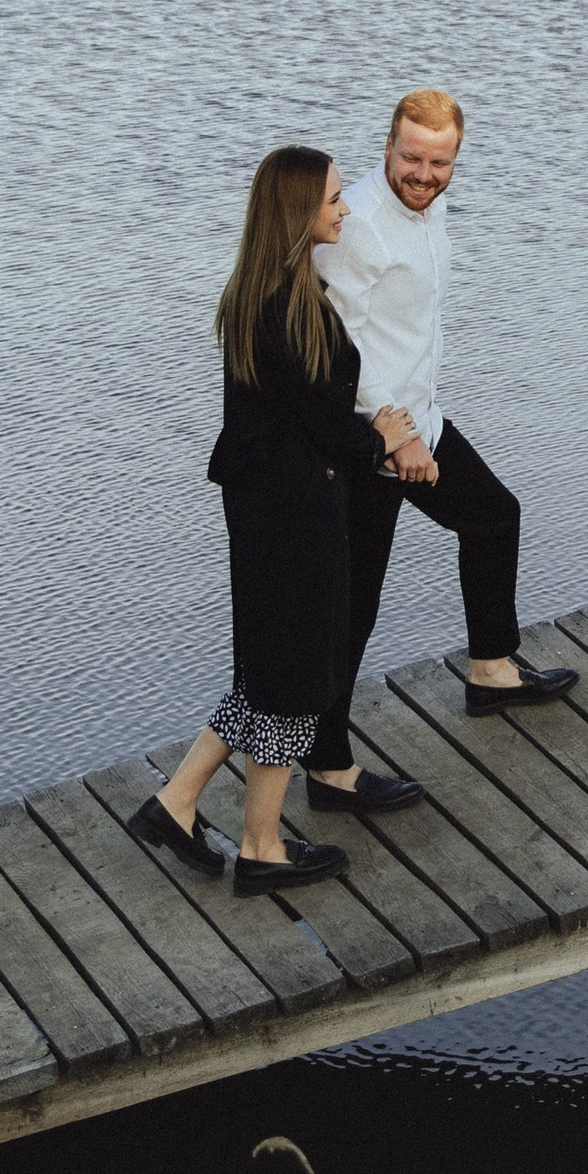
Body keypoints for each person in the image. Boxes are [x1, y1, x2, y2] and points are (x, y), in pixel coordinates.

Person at [127, 145, 430, 895]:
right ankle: (261, 847)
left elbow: (300, 419)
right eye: (332, 199)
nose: (345, 208)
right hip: (293, 515)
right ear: (300, 213)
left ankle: (176, 802)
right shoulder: (290, 310)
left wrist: (366, 435)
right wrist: (384, 438)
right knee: (298, 676)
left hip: (267, 507)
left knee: (269, 670)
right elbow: (327, 429)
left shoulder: (266, 291)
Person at [317, 87, 578, 732]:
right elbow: (336, 344)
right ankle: (327, 766)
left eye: (440, 164)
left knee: (493, 517)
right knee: (354, 608)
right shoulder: (357, 224)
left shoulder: (427, 208)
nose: (425, 177)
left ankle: (491, 669)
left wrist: (420, 424)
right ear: (387, 145)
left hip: (420, 421)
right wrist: (395, 433)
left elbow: (406, 328)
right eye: (412, 160)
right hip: (369, 439)